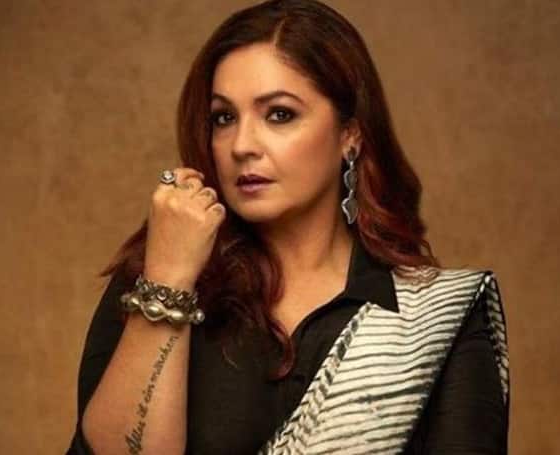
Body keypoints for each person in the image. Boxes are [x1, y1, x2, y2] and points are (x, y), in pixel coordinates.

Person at [67, 0, 510, 453]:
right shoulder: (154, 283)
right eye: (224, 118)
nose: (242, 145)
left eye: (279, 114)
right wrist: (168, 281)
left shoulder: (431, 318)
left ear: (350, 134)